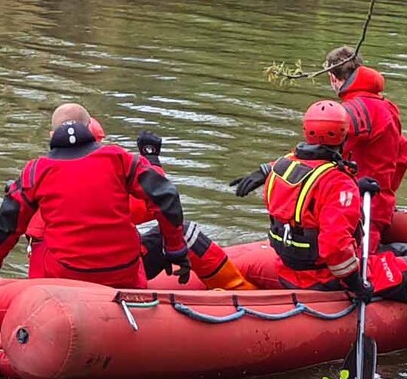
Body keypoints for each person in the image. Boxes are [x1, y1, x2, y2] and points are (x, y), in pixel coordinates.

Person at [0, 103, 191, 291]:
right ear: (91, 131)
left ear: (52, 136)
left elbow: (7, 224)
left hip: (63, 280)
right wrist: (175, 249)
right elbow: (165, 197)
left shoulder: (35, 171)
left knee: (40, 245)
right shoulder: (120, 159)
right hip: (124, 276)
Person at [231, 46, 407, 258]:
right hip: (370, 199)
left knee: (355, 261)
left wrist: (269, 170)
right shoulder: (384, 106)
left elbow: (320, 144)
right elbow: (402, 158)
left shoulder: (358, 109)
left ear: (333, 78)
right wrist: (385, 191)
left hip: (360, 205)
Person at [263, 99, 407, 316]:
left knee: (397, 254)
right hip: (327, 280)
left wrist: (353, 186)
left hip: (288, 271)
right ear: (344, 134)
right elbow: (335, 247)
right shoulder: (338, 183)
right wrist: (357, 283)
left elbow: (305, 206)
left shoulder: (280, 168)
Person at [25, 121, 255, 291]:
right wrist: (152, 162)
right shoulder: (101, 179)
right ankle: (243, 294)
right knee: (186, 234)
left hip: (51, 279)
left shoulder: (38, 177)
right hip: (104, 278)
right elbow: (157, 203)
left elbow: (8, 225)